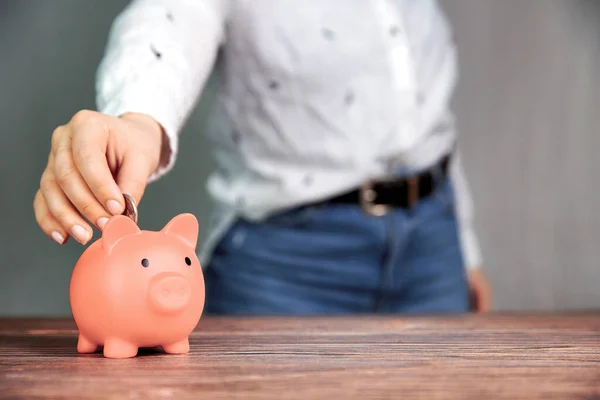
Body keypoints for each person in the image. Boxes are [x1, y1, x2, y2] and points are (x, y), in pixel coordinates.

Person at [33, 0, 491, 314]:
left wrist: (464, 245)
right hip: (286, 259)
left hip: (434, 236)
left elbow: (424, 113)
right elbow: (170, 18)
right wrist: (138, 117)